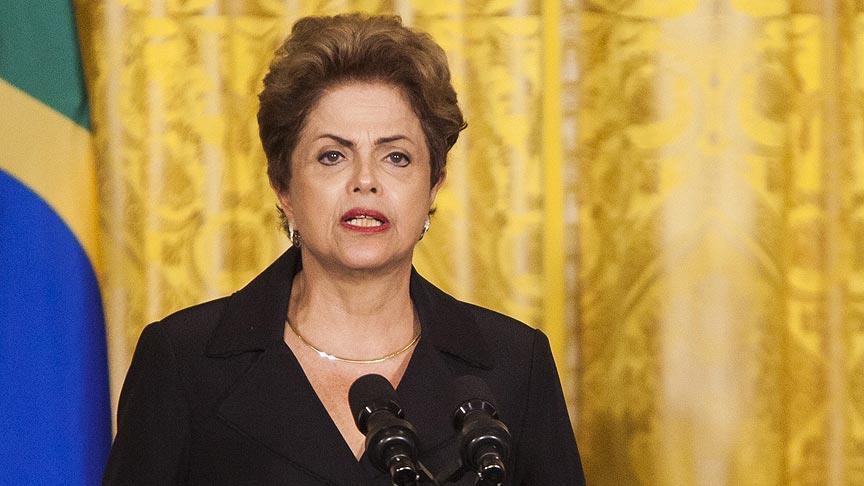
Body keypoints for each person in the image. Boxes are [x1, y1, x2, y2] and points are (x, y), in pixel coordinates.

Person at [103, 13, 585, 486]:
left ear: (434, 184)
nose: (365, 181)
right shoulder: (185, 362)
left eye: (396, 157)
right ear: (283, 186)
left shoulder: (512, 365)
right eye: (333, 156)